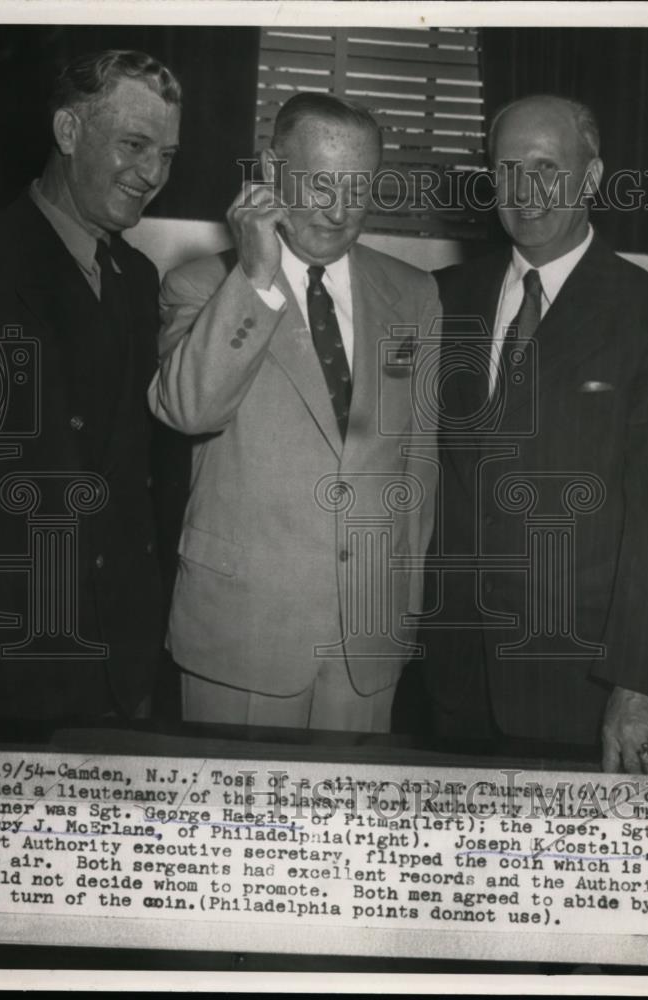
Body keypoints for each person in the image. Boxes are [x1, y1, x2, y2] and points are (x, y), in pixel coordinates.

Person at [148, 93, 440, 732]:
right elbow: (188, 409)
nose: (339, 211)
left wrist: (403, 610)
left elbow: (418, 467)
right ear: (272, 171)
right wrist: (255, 276)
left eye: (358, 187)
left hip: (368, 642)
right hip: (242, 635)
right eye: (321, 185)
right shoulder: (199, 286)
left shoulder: (415, 295)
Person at [421, 94, 648, 773]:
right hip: (449, 669)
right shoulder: (442, 296)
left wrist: (636, 685)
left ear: (592, 177)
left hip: (580, 676)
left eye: (547, 166)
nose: (524, 190)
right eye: (507, 167)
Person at [0, 50, 182, 738]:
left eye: (167, 155)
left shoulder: (139, 278)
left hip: (118, 658)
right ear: (67, 132)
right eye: (135, 145)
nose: (152, 175)